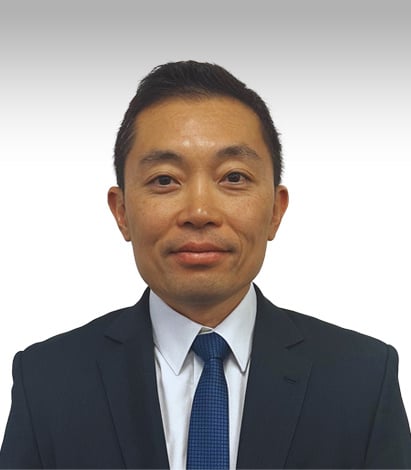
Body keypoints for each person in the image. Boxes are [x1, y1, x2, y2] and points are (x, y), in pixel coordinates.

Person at [0, 61, 410, 470]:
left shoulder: (362, 379)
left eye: (233, 177)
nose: (199, 212)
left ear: (275, 210)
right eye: (165, 180)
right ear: (121, 211)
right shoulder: (47, 381)